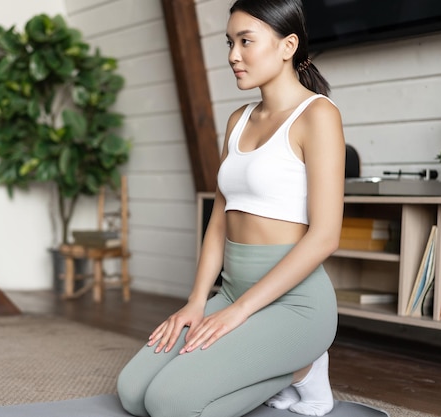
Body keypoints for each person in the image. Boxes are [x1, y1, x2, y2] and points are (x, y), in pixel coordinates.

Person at [117, 0, 345, 416]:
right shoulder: (238, 119)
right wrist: (197, 302)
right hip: (233, 290)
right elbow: (219, 220)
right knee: (132, 392)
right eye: (229, 42)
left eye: (245, 41)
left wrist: (238, 314)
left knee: (169, 403)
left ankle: (304, 368)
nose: (232, 56)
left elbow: (326, 235)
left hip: (295, 305)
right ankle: (286, 370)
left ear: (287, 45)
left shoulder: (318, 115)